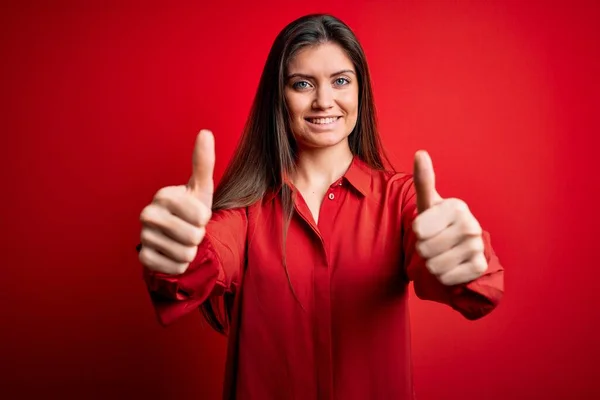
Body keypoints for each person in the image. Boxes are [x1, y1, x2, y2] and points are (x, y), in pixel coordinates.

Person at [137, 13, 504, 400]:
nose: (324, 101)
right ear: (279, 96)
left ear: (360, 90)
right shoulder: (244, 213)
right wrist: (177, 250)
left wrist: (463, 259)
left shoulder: (400, 201)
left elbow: (474, 284)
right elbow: (202, 263)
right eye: (302, 84)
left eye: (341, 81)